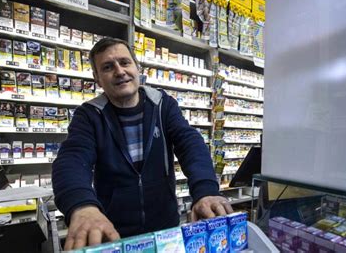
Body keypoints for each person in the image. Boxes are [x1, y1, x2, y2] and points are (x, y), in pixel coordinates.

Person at [52, 37, 233, 250]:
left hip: (165, 230)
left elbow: (189, 142)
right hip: (114, 234)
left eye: (125, 62)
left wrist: (205, 190)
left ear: (137, 68)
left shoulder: (162, 104)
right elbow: (73, 158)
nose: (120, 71)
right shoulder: (90, 115)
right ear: (97, 79)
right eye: (108, 67)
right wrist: (82, 206)